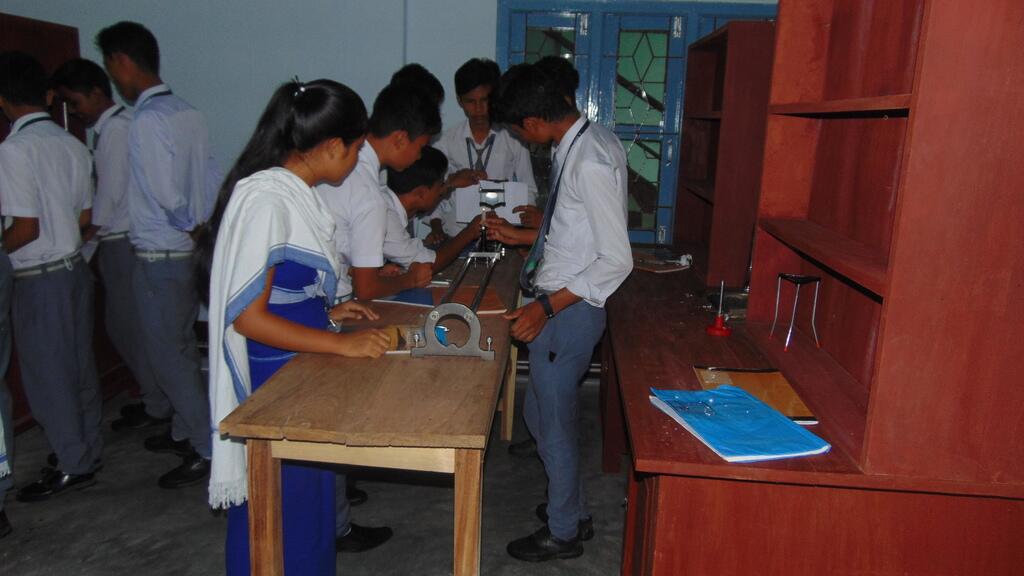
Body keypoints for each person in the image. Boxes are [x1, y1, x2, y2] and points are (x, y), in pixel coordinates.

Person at [204, 79, 394, 575]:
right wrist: (339, 345)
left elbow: (281, 294)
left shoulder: (293, 193)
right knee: (279, 510)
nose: (357, 159)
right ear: (331, 146)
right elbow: (248, 316)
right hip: (275, 382)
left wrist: (325, 314)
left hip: (302, 370)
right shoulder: (267, 200)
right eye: (355, 148)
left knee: (310, 504)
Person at [486, 62, 632, 562]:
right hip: (559, 302)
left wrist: (546, 307)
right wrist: (526, 234)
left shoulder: (589, 161)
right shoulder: (585, 142)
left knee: (553, 422)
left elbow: (615, 259)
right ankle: (572, 508)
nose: (520, 139)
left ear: (532, 121)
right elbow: (577, 233)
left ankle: (564, 531)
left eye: (517, 130)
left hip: (567, 310)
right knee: (541, 413)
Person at [96, 21, 219, 489]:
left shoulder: (146, 120)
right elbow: (209, 174)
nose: (115, 80)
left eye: (112, 69)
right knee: (182, 346)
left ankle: (206, 449)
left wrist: (189, 223)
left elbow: (165, 192)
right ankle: (186, 432)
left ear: (123, 61)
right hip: (185, 251)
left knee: (168, 355)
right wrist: (201, 227)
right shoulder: (189, 112)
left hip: (161, 253)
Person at [0, 51, 102, 501]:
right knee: (79, 369)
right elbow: (84, 217)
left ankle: (70, 463)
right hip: (74, 268)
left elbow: (25, 229)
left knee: (48, 377)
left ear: (3, 100)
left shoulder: (14, 150)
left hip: (39, 277)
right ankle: (87, 451)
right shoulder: (71, 143)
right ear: (45, 96)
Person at [50, 58, 172, 433]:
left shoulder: (117, 130)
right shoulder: (114, 128)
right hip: (120, 238)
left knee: (129, 329)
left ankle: (159, 403)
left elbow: (109, 196)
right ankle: (155, 400)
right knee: (128, 328)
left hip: (122, 239)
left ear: (97, 93)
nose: (75, 112)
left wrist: (81, 236)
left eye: (76, 102)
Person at [316, 82, 440, 302]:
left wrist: (369, 271)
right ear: (400, 139)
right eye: (420, 148)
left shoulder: (354, 171)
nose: (419, 157)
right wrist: (410, 279)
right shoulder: (367, 192)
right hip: (331, 299)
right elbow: (366, 290)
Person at [425, 58, 537, 243]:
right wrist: (436, 228)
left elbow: (529, 190)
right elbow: (434, 194)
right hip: (456, 236)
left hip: (501, 235)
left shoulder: (514, 138)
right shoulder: (445, 142)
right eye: (470, 101)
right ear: (459, 101)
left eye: (485, 100)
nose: (478, 109)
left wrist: (520, 231)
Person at [382, 145, 483, 283]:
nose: (441, 191)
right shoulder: (387, 215)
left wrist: (450, 184)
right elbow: (430, 264)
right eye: (440, 185)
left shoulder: (387, 200)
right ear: (421, 192)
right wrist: (470, 231)